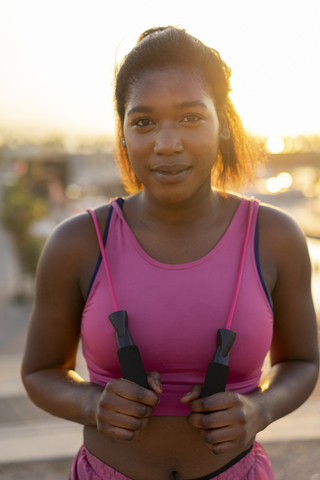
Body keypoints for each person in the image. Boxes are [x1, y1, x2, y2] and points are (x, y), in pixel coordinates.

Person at [21, 26, 319, 480]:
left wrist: (260, 409)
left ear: (222, 125)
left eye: (190, 118)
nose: (166, 144)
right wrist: (91, 403)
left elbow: (302, 362)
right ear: (123, 134)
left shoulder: (274, 236)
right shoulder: (78, 242)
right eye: (143, 122)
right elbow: (41, 371)